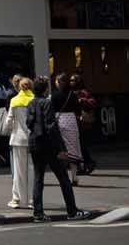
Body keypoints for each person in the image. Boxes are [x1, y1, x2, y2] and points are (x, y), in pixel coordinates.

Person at [27, 76, 91, 223]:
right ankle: (72, 211)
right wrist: (60, 148)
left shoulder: (31, 103)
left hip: (34, 143)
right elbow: (51, 127)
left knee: (38, 179)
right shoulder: (47, 103)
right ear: (45, 90)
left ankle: (38, 213)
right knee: (63, 178)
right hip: (48, 145)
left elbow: (29, 123)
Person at [0, 77, 34, 208]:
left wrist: (11, 128)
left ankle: (17, 199)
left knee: (18, 171)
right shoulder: (34, 100)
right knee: (32, 170)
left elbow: (9, 122)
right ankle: (32, 200)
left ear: (19, 87)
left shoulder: (14, 101)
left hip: (17, 139)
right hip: (32, 139)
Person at [51, 72, 84, 183]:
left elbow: (51, 110)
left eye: (56, 80)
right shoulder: (72, 94)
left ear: (59, 82)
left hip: (59, 120)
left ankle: (63, 176)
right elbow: (78, 110)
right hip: (71, 120)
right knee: (73, 148)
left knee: (60, 149)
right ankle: (74, 176)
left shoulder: (54, 95)